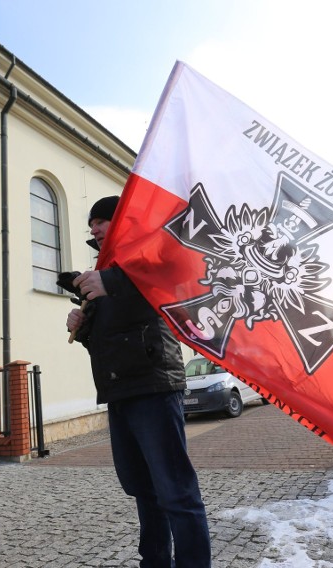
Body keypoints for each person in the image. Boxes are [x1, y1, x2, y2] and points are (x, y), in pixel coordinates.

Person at [64, 195, 212, 567]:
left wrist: (110, 280)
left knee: (175, 490)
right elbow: (106, 339)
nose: (95, 229)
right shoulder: (104, 269)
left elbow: (174, 276)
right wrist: (82, 328)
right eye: (91, 224)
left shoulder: (148, 254)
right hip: (119, 390)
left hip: (154, 384)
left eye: (102, 221)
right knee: (142, 488)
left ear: (123, 222)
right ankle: (155, 561)